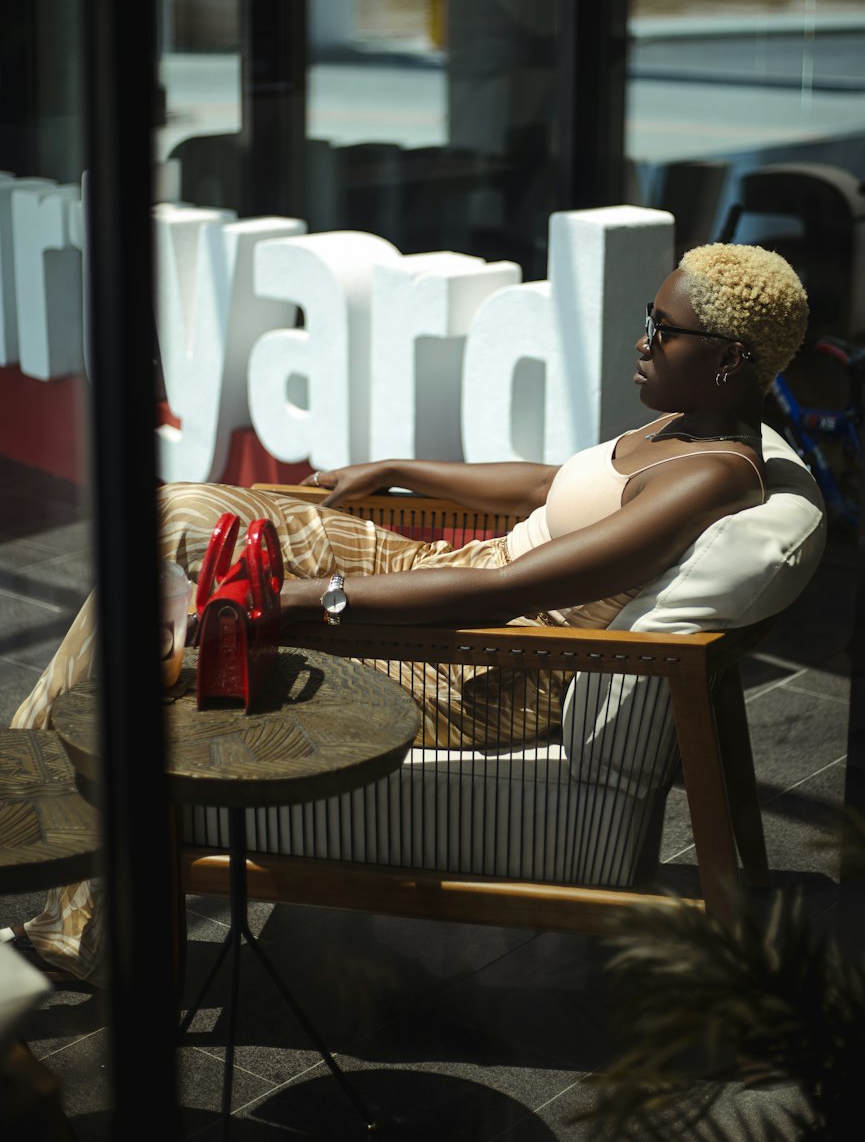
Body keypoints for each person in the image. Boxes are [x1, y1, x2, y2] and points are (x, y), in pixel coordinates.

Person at [4, 242, 808, 981]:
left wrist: (307, 601)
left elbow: (512, 593)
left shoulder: (710, 476)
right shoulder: (683, 425)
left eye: (662, 329)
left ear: (730, 360)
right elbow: (549, 486)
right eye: (647, 321)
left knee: (179, 630)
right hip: (449, 570)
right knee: (172, 514)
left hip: (493, 656)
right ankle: (31, 795)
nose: (643, 340)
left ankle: (51, 859)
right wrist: (398, 465)